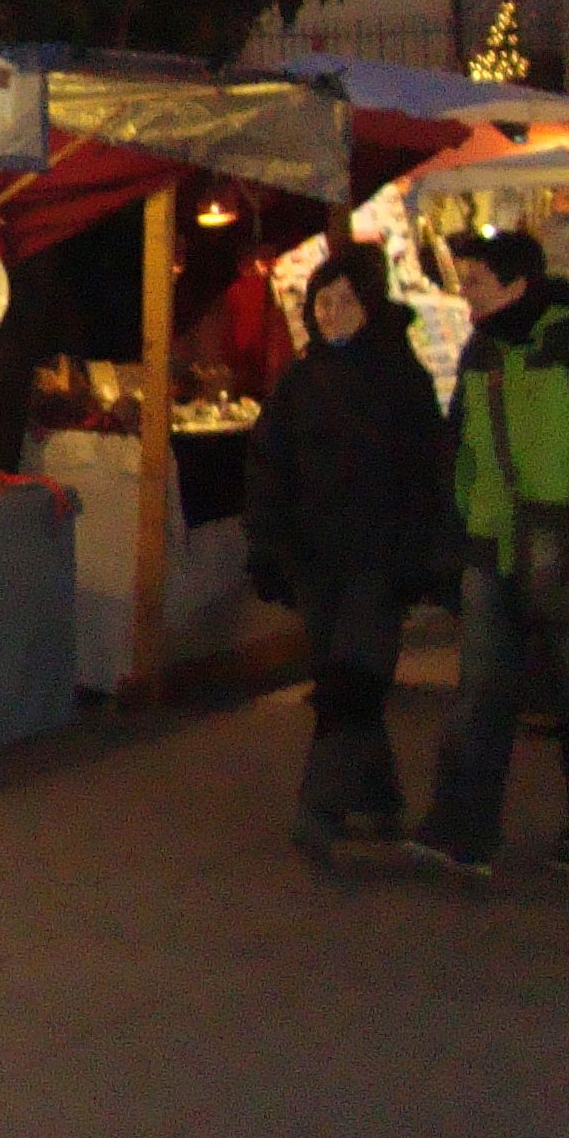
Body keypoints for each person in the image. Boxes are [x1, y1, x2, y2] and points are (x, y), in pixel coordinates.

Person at [410, 228, 569, 882]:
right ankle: (462, 832)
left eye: (475, 279)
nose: (464, 290)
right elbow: (459, 441)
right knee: (480, 691)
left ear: (516, 282)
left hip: (565, 539)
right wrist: (453, 528)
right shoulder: (483, 347)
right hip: (491, 539)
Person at [245, 244, 450, 861]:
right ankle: (380, 799)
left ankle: (321, 804)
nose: (331, 314)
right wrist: (270, 543)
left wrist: (420, 556)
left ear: (370, 306)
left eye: (344, 302)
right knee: (343, 671)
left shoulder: (398, 378)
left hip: (377, 559)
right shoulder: (301, 380)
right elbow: (269, 465)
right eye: (322, 302)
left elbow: (424, 475)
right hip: (316, 559)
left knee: (350, 680)